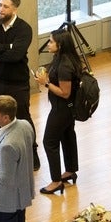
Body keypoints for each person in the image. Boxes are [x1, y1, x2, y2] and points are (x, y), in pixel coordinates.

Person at [0, 0, 39, 171]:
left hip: (17, 82)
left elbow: (16, 56)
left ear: (14, 9)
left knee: (23, 117)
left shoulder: (24, 29)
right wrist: (8, 46)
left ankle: (33, 153)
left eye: (5, 6)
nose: (0, 9)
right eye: (0, 5)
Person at [35, 29, 81, 195]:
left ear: (60, 45)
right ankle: (70, 170)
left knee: (49, 142)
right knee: (67, 136)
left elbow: (65, 92)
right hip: (67, 110)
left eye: (51, 42)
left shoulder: (65, 65)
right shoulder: (64, 59)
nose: (48, 44)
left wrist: (45, 83)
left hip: (62, 110)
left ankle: (55, 181)